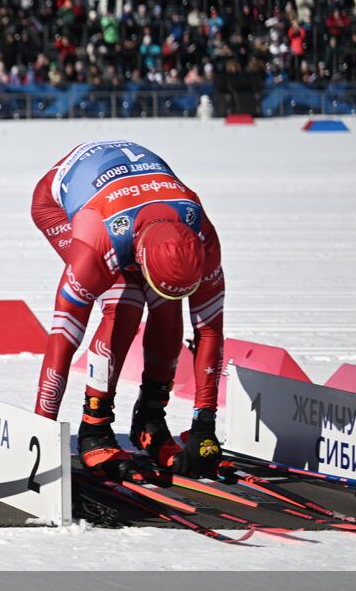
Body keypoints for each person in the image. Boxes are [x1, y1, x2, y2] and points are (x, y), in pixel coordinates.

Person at [30, 140, 226, 478]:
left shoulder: (202, 235)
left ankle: (149, 418)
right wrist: (40, 432)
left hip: (137, 200)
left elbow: (209, 329)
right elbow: (62, 338)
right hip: (67, 204)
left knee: (167, 306)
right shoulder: (97, 240)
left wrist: (203, 424)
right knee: (125, 298)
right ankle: (95, 425)